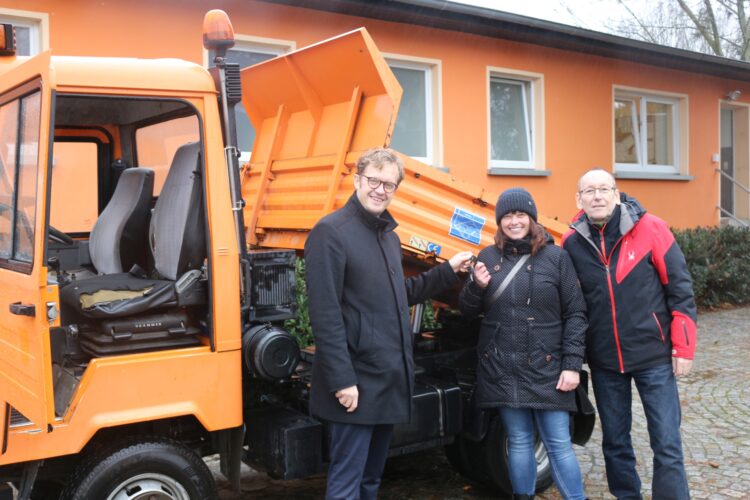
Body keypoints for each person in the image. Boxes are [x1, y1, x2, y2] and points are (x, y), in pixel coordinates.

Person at [304, 147, 474, 500]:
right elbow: (325, 314)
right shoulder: (330, 232)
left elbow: (400, 294)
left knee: (371, 480)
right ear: (357, 180)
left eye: (389, 184)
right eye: (374, 181)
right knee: (347, 483)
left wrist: (447, 271)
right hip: (355, 382)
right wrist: (342, 380)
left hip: (387, 377)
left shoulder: (388, 235)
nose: (381, 190)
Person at [562, 169, 697, 500]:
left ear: (616, 194)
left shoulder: (652, 228)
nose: (597, 196)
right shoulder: (572, 242)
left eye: (603, 189)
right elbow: (571, 305)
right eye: (589, 191)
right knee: (615, 442)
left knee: (666, 440)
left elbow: (680, 289)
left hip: (653, 355)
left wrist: (683, 347)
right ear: (578, 199)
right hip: (606, 360)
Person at [459, 187, 588, 500]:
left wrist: (572, 365)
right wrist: (476, 286)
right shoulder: (488, 257)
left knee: (557, 443)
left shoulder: (556, 258)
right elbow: (466, 309)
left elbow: (576, 314)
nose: (514, 222)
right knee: (517, 439)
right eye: (507, 216)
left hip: (547, 367)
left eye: (520, 215)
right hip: (503, 366)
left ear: (532, 218)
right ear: (499, 221)